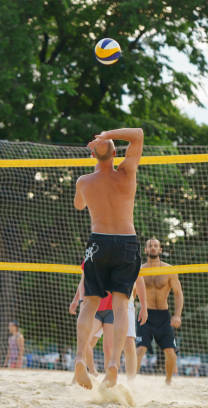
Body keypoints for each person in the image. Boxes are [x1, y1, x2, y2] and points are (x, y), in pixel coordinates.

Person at [73, 128, 144, 389]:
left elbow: (79, 205)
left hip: (99, 242)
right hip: (126, 241)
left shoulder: (84, 182)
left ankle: (80, 358)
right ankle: (113, 364)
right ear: (116, 153)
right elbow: (137, 134)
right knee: (121, 304)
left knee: (88, 305)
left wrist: (97, 144)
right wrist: (106, 134)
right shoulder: (126, 173)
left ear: (92, 154)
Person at [136, 237, 184, 385]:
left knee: (170, 353)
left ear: (160, 250)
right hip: (145, 314)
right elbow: (131, 293)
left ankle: (168, 382)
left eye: (156, 246)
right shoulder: (139, 270)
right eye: (150, 246)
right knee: (140, 349)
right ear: (145, 250)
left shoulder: (169, 270)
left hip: (163, 316)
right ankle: (131, 381)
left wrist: (177, 315)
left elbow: (178, 293)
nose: (153, 248)